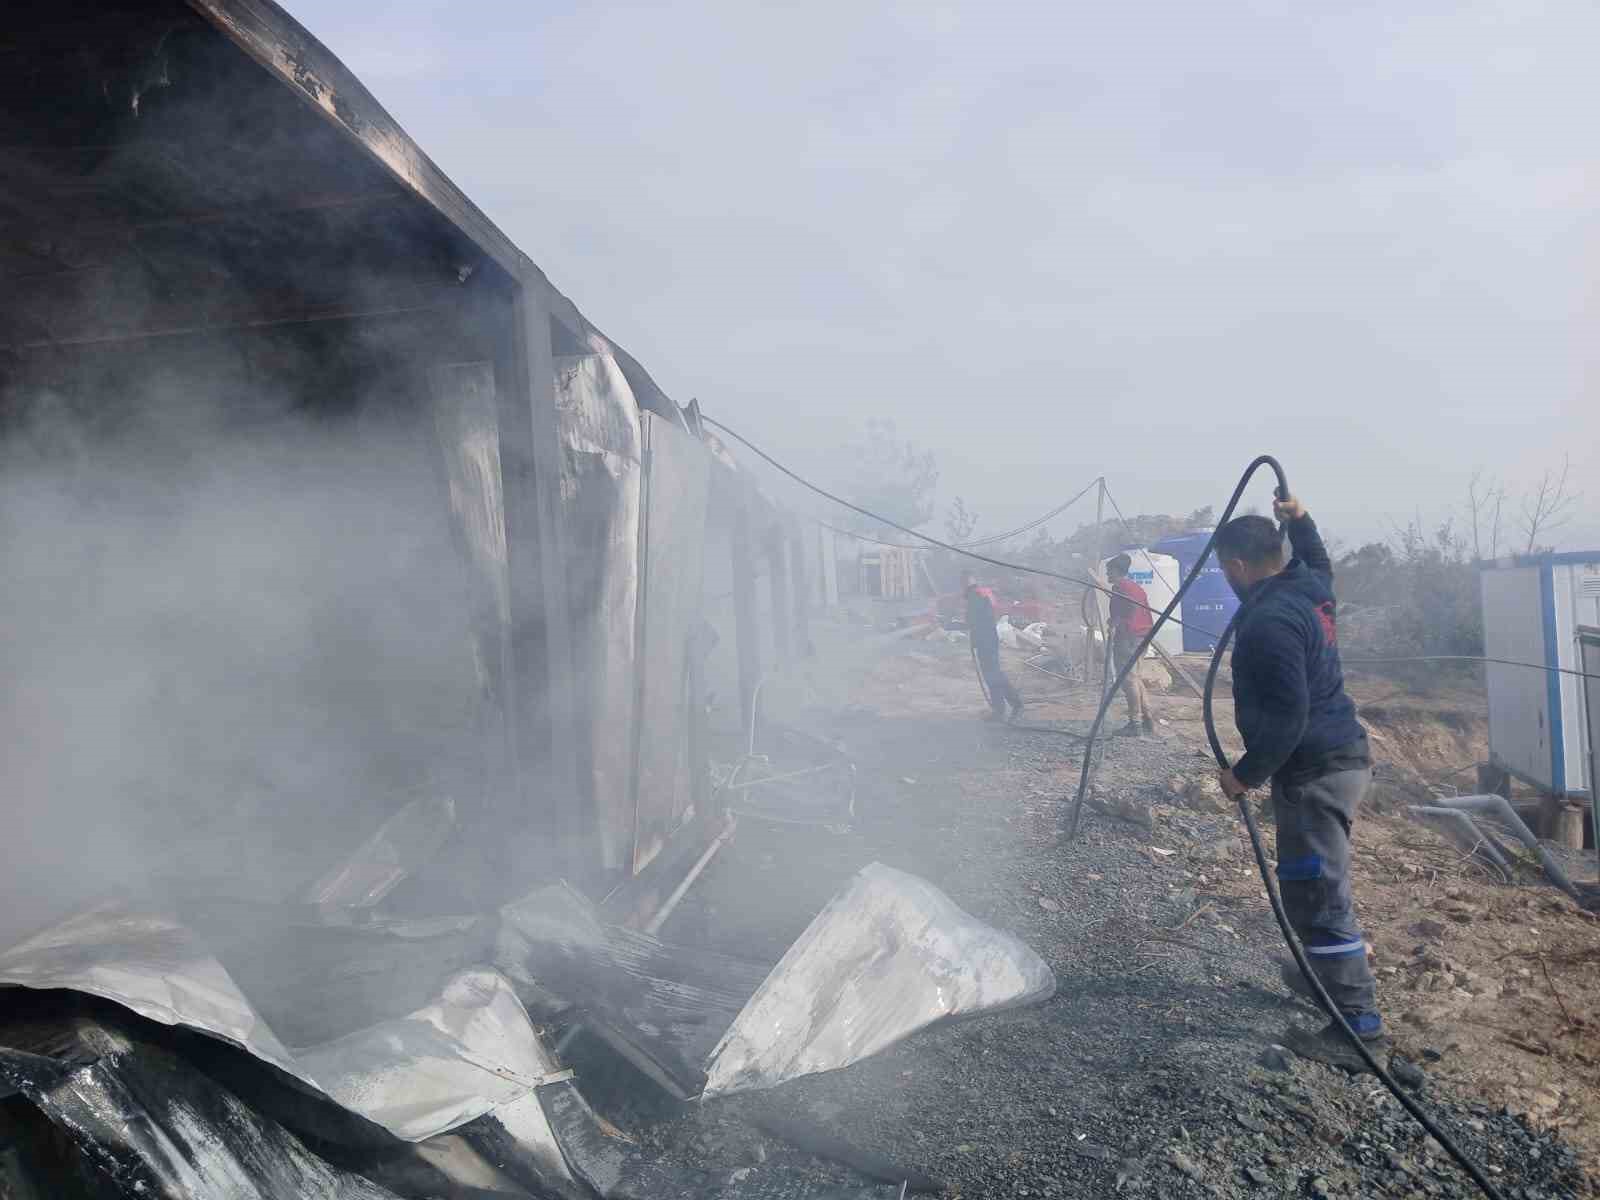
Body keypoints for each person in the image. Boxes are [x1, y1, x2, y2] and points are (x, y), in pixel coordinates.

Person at [1212, 495, 1383, 1057]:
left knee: (1316, 894)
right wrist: (1302, 519)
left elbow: (1290, 717)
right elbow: (1318, 558)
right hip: (1338, 758)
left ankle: (1357, 1030)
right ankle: (1320, 981)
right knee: (1312, 886)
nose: (1225, 579)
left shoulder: (1268, 620)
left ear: (1237, 566)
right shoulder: (1309, 586)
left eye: (1223, 570)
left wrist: (1244, 775)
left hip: (1314, 769)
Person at [1105, 554, 1155, 737]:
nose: (1106, 574)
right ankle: (1147, 718)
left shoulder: (1121, 587)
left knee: (1128, 679)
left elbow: (1129, 610)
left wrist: (1116, 623)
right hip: (1143, 634)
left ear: (1117, 571)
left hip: (1129, 636)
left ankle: (1136, 723)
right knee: (1135, 677)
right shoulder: (1136, 588)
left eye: (1109, 570)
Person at [963, 572, 1023, 722]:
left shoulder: (975, 597)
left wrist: (971, 629)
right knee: (994, 674)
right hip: (987, 639)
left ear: (967, 582)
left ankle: (1004, 708)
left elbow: (976, 620)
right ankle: (1009, 705)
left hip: (986, 641)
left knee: (992, 676)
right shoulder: (979, 595)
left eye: (962, 582)